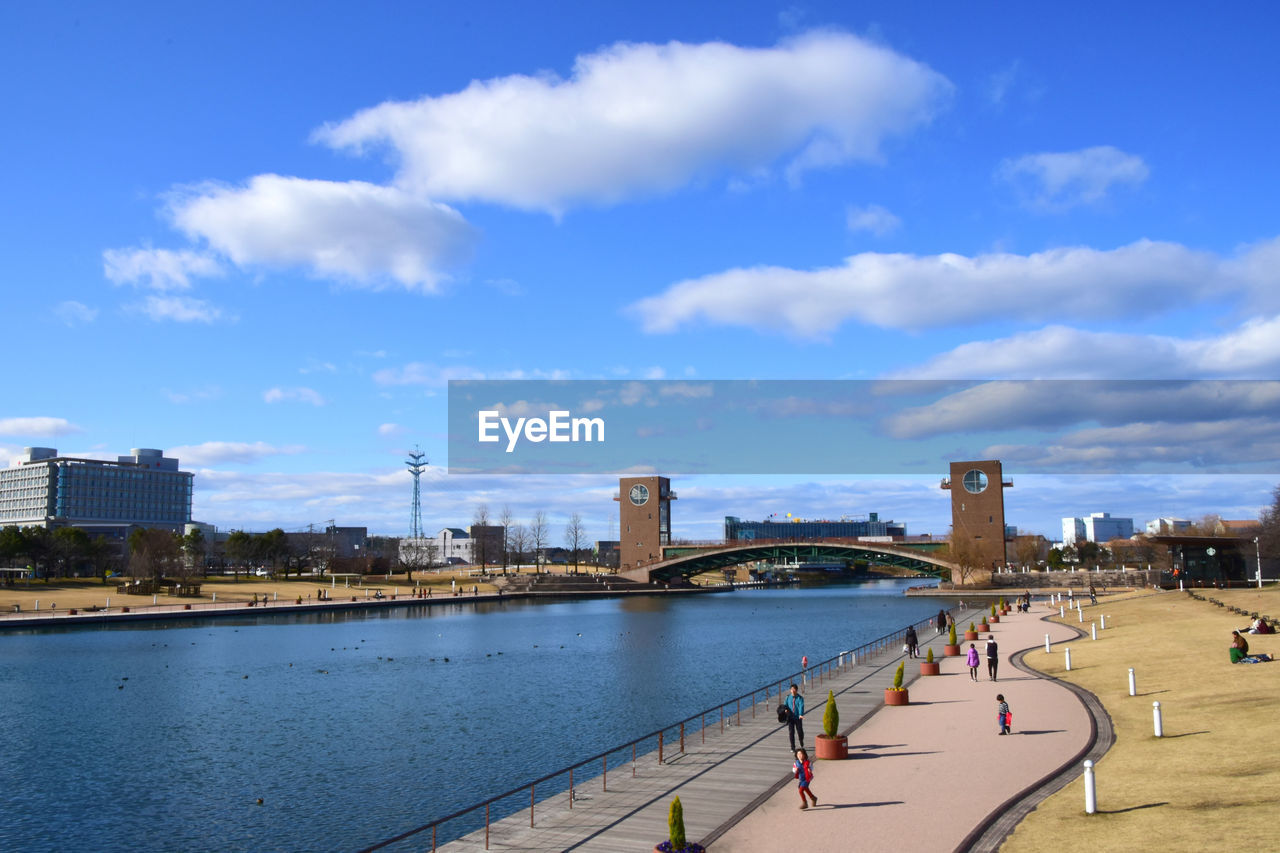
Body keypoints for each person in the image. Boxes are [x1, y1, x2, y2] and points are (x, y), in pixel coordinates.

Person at [784, 684, 806, 751]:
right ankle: (792, 747)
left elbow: (801, 707)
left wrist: (800, 714)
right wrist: (785, 710)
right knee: (791, 732)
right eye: (791, 689)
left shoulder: (800, 698)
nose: (793, 691)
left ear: (796, 690)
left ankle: (801, 742)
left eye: (794, 689)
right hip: (790, 718)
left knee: (800, 732)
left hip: (797, 717)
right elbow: (785, 705)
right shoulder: (788, 697)